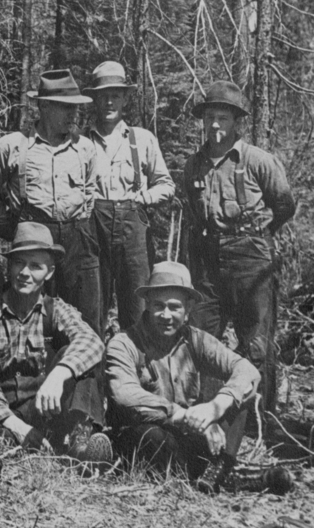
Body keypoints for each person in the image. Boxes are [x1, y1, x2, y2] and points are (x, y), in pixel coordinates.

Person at [106, 261, 292, 494]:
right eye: (158, 306)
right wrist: (183, 416)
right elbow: (124, 395)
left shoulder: (196, 340)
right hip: (145, 436)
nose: (166, 315)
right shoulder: (124, 343)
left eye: (174, 307)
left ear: (188, 310)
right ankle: (227, 479)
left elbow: (247, 371)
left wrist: (215, 407)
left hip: (186, 439)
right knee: (151, 436)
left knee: (239, 395)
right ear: (147, 304)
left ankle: (215, 470)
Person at [184, 81, 296, 416]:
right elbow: (192, 208)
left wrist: (261, 233)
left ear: (236, 122)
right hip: (208, 258)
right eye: (210, 118)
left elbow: (284, 204)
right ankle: (207, 413)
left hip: (251, 258)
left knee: (256, 340)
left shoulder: (258, 161)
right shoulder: (194, 164)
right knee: (201, 335)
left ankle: (259, 419)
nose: (215, 125)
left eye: (223, 118)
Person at [0, 70, 102, 335]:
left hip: (78, 239)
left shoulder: (85, 147)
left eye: (75, 107)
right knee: (35, 315)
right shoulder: (13, 146)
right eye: (65, 107)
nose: (73, 114)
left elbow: (90, 192)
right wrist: (10, 229)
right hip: (34, 240)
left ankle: (87, 362)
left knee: (87, 316)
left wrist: (80, 226)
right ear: (43, 106)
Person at [0, 222, 112, 463]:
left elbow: (92, 342)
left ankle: (81, 441)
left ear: (50, 272)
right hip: (3, 413)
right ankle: (15, 445)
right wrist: (14, 424)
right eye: (19, 263)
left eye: (35, 266)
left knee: (79, 358)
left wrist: (59, 374)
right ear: (8, 267)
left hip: (46, 409)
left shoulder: (55, 309)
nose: (25, 273)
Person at [83, 61, 174, 333]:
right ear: (95, 99)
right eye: (103, 95)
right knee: (91, 308)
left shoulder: (142, 139)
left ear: (125, 99)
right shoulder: (81, 142)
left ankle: (136, 358)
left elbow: (166, 185)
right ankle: (93, 358)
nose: (109, 102)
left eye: (115, 95)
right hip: (93, 230)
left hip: (133, 233)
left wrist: (143, 198)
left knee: (137, 309)